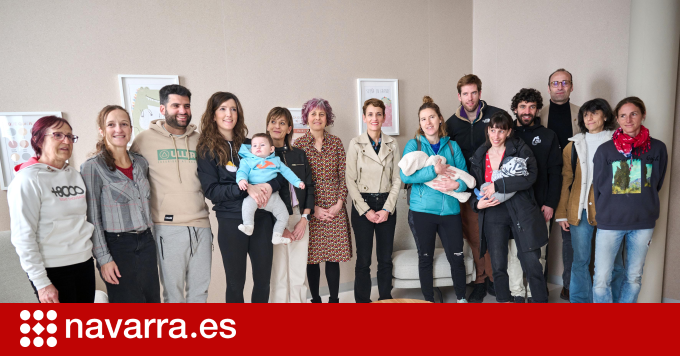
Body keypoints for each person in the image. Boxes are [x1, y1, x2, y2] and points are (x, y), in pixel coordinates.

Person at [197, 92, 284, 303]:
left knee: (263, 281)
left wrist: (264, 186)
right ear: (213, 115)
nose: (229, 114)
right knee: (235, 284)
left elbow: (279, 176)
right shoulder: (206, 150)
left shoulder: (251, 145)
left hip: (262, 219)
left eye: (234, 109)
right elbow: (212, 192)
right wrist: (245, 189)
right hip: (231, 222)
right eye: (223, 109)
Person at [130, 84, 212, 303]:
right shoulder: (143, 141)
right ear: (162, 109)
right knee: (172, 295)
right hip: (166, 227)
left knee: (200, 292)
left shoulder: (200, 140)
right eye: (175, 105)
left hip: (201, 225)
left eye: (186, 105)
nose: (182, 110)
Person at [9, 116, 95, 303]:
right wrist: (41, 283)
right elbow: (23, 236)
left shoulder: (75, 175)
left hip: (84, 263)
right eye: (58, 135)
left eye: (70, 136)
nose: (66, 141)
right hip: (53, 269)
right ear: (38, 140)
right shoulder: (28, 180)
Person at [81, 105, 160, 303]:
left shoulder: (141, 163)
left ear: (131, 129)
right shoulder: (92, 167)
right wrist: (104, 259)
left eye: (124, 124)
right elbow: (92, 218)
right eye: (111, 124)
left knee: (152, 302)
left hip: (147, 243)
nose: (119, 129)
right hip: (117, 246)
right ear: (102, 130)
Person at [592, 97, 668, 303]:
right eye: (623, 115)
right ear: (617, 119)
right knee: (601, 280)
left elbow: (656, 182)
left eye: (633, 113)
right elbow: (597, 186)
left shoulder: (658, 149)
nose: (628, 119)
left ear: (643, 115)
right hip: (610, 222)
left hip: (642, 223)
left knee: (633, 278)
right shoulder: (605, 150)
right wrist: (606, 213)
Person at [469, 110, 549, 303]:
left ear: (509, 132)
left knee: (532, 263)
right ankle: (504, 301)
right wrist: (477, 204)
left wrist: (498, 184)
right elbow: (473, 186)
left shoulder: (520, 149)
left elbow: (529, 177)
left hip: (521, 211)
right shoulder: (480, 155)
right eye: (493, 130)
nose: (496, 136)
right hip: (493, 214)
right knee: (498, 266)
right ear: (488, 130)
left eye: (501, 131)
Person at [400, 96, 470, 303]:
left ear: (440, 119)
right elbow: (405, 176)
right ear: (420, 124)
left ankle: (461, 299)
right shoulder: (414, 146)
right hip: (422, 212)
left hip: (450, 211)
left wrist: (457, 185)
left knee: (457, 258)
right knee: (425, 258)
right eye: (423, 119)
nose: (428, 122)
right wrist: (434, 170)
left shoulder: (452, 147)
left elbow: (465, 176)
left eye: (432, 117)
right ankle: (429, 300)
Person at [555, 98, 624, 303]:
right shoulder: (573, 145)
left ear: (605, 116)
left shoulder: (618, 141)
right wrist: (562, 213)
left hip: (610, 212)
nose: (589, 117)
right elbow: (566, 180)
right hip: (580, 210)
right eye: (586, 114)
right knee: (580, 262)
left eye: (595, 113)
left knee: (615, 262)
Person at [445, 74, 501, 302]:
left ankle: (496, 279)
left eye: (474, 92)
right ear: (459, 96)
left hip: (494, 186)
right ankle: (481, 280)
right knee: (476, 237)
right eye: (465, 94)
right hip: (467, 189)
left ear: (480, 93)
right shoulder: (451, 123)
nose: (470, 98)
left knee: (495, 235)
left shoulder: (495, 116)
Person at [293, 98, 352, 303]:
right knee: (312, 258)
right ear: (306, 118)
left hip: (335, 205)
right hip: (311, 205)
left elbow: (344, 176)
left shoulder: (336, 142)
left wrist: (338, 204)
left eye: (321, 114)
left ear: (327, 118)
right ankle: (316, 300)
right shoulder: (299, 144)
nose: (317, 118)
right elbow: (296, 182)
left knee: (333, 257)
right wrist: (312, 208)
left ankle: (334, 300)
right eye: (313, 114)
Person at [508, 88, 562, 302]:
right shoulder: (507, 134)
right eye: (522, 107)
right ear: (515, 109)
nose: (527, 111)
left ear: (538, 109)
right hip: (511, 205)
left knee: (537, 253)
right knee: (513, 253)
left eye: (531, 107)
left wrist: (550, 203)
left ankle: (534, 294)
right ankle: (517, 293)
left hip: (539, 206)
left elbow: (556, 172)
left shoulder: (548, 136)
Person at [346, 98, 401, 303]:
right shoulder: (355, 143)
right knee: (363, 259)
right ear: (364, 117)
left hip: (387, 203)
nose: (374, 118)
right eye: (370, 114)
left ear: (384, 117)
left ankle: (385, 299)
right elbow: (350, 180)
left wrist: (387, 209)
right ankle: (362, 302)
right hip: (363, 205)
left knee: (385, 259)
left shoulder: (393, 143)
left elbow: (397, 179)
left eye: (378, 114)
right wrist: (366, 210)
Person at [266, 107, 315, 303]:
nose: (277, 126)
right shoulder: (261, 157)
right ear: (268, 126)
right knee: (278, 274)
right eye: (273, 121)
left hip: (299, 218)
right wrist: (281, 226)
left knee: (298, 273)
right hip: (274, 220)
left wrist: (304, 219)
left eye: (282, 123)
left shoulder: (299, 155)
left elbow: (310, 187)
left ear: (289, 129)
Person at [543, 68, 581, 300]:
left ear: (571, 86)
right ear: (548, 88)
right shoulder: (538, 113)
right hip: (545, 182)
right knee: (540, 238)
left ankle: (569, 285)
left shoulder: (582, 113)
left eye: (564, 82)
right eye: (555, 83)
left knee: (572, 239)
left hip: (573, 182)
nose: (560, 86)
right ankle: (540, 285)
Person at [236, 133, 305, 244]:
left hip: (273, 196)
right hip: (254, 195)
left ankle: (277, 235)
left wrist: (297, 182)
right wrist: (241, 180)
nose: (258, 147)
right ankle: (248, 225)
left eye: (262, 145)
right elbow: (241, 172)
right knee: (247, 206)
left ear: (271, 149)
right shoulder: (247, 161)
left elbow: (287, 173)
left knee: (284, 215)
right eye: (254, 145)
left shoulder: (276, 161)